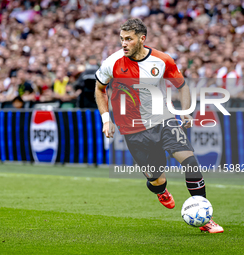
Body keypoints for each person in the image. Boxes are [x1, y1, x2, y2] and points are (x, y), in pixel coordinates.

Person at [95, 18, 224, 234]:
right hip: (133, 129)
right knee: (157, 179)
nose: (124, 43)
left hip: (164, 121)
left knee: (191, 163)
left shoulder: (162, 60)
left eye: (129, 39)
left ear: (142, 39)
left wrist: (186, 112)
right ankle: (161, 190)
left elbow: (181, 86)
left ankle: (205, 219)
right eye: (121, 39)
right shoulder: (112, 62)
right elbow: (100, 89)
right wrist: (106, 119)